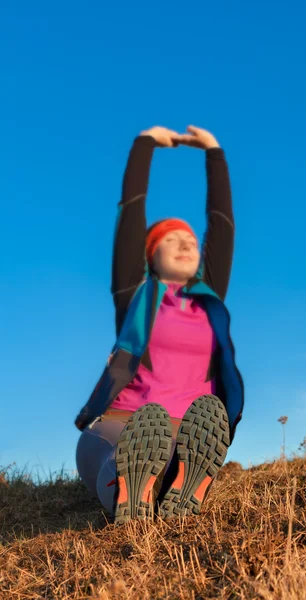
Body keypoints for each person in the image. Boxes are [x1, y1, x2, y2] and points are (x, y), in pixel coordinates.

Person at [75, 125, 244, 523]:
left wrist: (214, 152)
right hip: (121, 421)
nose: (187, 243)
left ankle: (178, 481)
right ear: (150, 255)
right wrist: (145, 143)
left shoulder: (209, 300)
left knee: (169, 455)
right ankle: (134, 492)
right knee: (117, 456)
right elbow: (131, 210)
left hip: (188, 431)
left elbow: (222, 226)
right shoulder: (136, 293)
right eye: (172, 239)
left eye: (190, 239)